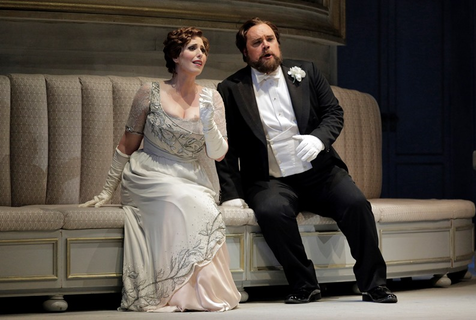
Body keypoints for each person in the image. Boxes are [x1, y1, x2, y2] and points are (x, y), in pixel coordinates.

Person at [215, 17, 397, 304]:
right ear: (245, 51)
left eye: (270, 40)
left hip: (320, 174)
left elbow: (333, 113)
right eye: (256, 43)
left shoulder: (307, 72)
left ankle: (374, 283)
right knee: (272, 212)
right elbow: (228, 147)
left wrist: (319, 139)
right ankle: (304, 284)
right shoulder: (230, 88)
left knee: (357, 204)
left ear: (278, 43)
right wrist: (231, 194)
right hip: (270, 180)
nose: (265, 46)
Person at [81, 27, 241, 312]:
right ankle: (175, 291)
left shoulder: (212, 98)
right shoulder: (149, 92)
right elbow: (126, 144)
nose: (200, 55)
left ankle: (200, 291)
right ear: (175, 55)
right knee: (181, 198)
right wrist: (107, 191)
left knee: (205, 207)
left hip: (190, 175)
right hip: (149, 173)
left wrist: (208, 124)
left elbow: (218, 154)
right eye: (193, 48)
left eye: (203, 50)